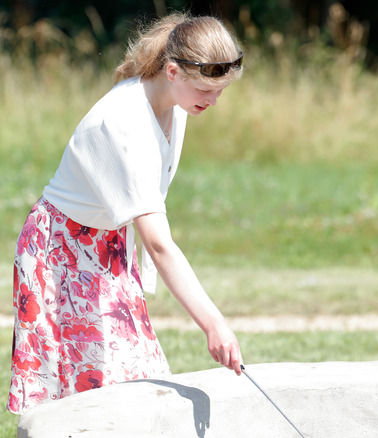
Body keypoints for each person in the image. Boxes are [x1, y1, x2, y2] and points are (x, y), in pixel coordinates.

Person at [8, 13, 246, 414]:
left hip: (106, 247)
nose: (213, 100)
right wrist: (213, 323)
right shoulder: (122, 123)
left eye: (221, 91)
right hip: (60, 252)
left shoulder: (177, 106)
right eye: (207, 88)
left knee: (131, 382)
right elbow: (158, 243)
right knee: (84, 398)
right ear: (172, 71)